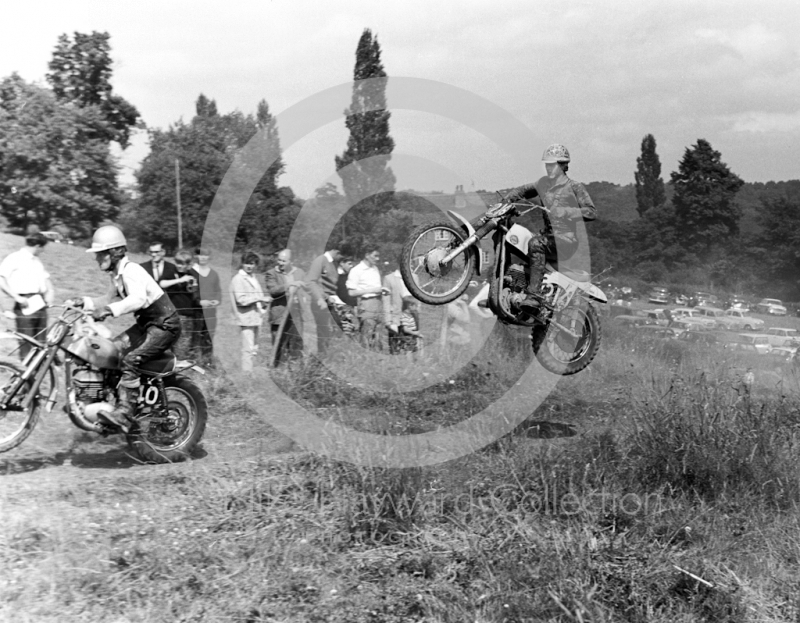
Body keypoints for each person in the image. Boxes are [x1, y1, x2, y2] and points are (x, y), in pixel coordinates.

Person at [79, 226, 181, 432]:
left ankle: (125, 413)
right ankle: (110, 404)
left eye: (100, 254)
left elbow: (138, 299)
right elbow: (106, 299)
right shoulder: (117, 275)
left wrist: (108, 310)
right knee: (111, 352)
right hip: (147, 325)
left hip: (164, 325)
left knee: (130, 359)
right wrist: (82, 302)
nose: (97, 259)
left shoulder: (131, 270)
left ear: (114, 252)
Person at [502, 144, 596, 312]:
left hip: (565, 241)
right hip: (547, 237)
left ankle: (534, 297)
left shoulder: (574, 187)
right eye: (547, 164)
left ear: (563, 165)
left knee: (536, 244)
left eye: (553, 164)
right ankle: (509, 288)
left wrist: (565, 211)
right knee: (516, 239)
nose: (549, 168)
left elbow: (591, 212)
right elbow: (522, 190)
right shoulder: (543, 184)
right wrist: (505, 202)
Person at [0, 232, 55, 359]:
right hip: (24, 305)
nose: (43, 251)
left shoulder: (36, 261)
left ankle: (37, 375)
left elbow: (46, 279)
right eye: (42, 248)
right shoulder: (14, 258)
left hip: (40, 305)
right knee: (26, 343)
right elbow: (1, 279)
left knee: (41, 344)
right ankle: (24, 375)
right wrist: (16, 297)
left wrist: (50, 292)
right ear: (37, 246)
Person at [230, 251, 271, 372]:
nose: (249, 266)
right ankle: (246, 374)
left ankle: (250, 371)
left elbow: (259, 295)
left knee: (254, 347)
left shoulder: (253, 278)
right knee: (247, 348)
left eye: (252, 264)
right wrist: (259, 298)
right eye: (247, 263)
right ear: (242, 263)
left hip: (255, 317)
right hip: (245, 318)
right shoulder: (238, 279)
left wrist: (264, 302)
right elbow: (241, 300)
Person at [264, 249, 306, 364]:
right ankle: (277, 369)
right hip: (280, 314)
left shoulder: (300, 273)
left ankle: (296, 369)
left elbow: (307, 288)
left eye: (284, 261)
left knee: (297, 343)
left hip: (296, 314)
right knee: (279, 345)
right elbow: (273, 290)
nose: (280, 263)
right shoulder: (272, 273)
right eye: (279, 260)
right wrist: (290, 285)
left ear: (291, 261)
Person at [346, 244, 386, 350]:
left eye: (378, 256)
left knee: (379, 337)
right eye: (375, 256)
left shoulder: (375, 268)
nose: (378, 259)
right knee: (367, 335)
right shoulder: (356, 270)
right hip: (366, 304)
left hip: (379, 303)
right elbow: (351, 292)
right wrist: (373, 290)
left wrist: (382, 291)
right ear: (367, 255)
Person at [306, 245, 344, 356]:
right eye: (341, 254)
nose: (342, 257)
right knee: (324, 332)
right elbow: (311, 282)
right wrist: (321, 298)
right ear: (336, 251)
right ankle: (323, 358)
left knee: (336, 332)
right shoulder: (321, 260)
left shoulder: (335, 263)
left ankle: (332, 357)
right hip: (321, 304)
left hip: (333, 303)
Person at [169, 249, 202, 360]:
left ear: (189, 265)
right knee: (169, 340)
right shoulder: (170, 272)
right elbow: (161, 283)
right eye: (177, 262)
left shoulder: (194, 275)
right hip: (171, 313)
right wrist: (180, 280)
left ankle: (180, 365)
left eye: (182, 264)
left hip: (186, 314)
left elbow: (197, 295)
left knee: (183, 341)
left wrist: (194, 288)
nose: (179, 266)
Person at [192, 247, 221, 366]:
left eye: (205, 255)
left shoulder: (213, 274)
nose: (203, 257)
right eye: (200, 254)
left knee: (208, 336)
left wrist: (217, 301)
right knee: (195, 336)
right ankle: (193, 363)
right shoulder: (192, 272)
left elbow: (218, 291)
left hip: (210, 312)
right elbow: (191, 293)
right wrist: (199, 302)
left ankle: (207, 362)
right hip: (196, 312)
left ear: (209, 257)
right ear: (196, 256)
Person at [382, 261, 412, 354]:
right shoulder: (388, 278)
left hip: (410, 319)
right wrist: (388, 321)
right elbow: (386, 301)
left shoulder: (414, 278)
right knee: (395, 348)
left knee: (410, 348)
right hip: (395, 319)